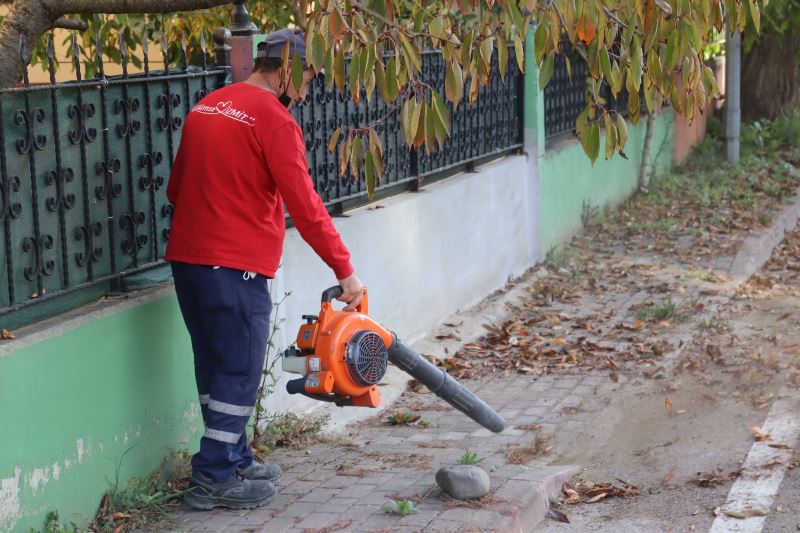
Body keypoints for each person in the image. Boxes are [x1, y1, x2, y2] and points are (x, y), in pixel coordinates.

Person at [165, 28, 364, 510]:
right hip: (235, 267)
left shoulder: (207, 105)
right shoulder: (273, 120)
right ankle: (213, 476)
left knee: (214, 364)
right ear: (288, 69)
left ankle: (233, 456)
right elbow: (305, 203)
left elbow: (176, 188)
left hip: (188, 260)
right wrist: (346, 271)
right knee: (239, 369)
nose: (308, 89)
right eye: (308, 78)